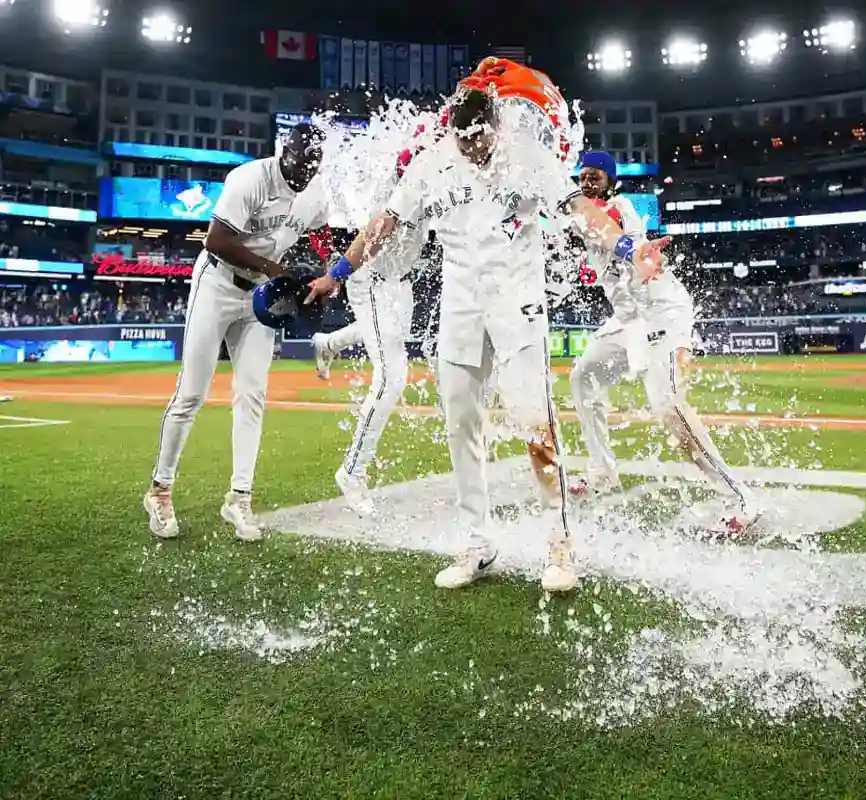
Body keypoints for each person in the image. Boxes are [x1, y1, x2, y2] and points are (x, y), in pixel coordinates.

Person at [305, 85, 670, 593]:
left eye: (481, 139)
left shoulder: (527, 156)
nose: (474, 149)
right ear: (453, 132)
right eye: (465, 140)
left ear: (497, 125)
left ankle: (559, 544)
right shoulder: (433, 162)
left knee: (535, 422)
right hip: (459, 305)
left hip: (517, 302)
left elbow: (581, 211)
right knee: (460, 423)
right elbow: (385, 224)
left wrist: (628, 245)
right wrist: (339, 272)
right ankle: (477, 542)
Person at [144, 123, 330, 541]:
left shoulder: (317, 189)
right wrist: (274, 268)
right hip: (218, 285)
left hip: (261, 298)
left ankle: (239, 498)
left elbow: (319, 228)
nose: (304, 173)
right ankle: (160, 489)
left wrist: (325, 266)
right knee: (191, 393)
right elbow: (215, 239)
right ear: (285, 151)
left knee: (252, 396)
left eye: (313, 166)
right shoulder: (249, 178)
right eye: (300, 163)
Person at [567, 151, 759, 536]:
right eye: (583, 176)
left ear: (611, 180)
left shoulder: (617, 208)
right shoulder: (581, 218)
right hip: (628, 322)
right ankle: (602, 471)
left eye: (596, 177)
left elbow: (618, 235)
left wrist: (639, 256)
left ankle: (740, 499)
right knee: (582, 376)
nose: (588, 182)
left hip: (662, 316)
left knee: (668, 407)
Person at [310, 150, 429, 514]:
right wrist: (334, 276)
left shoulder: (435, 184)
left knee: (386, 334)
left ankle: (328, 343)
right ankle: (352, 471)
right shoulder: (394, 194)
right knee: (393, 376)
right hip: (371, 280)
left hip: (399, 282)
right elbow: (369, 239)